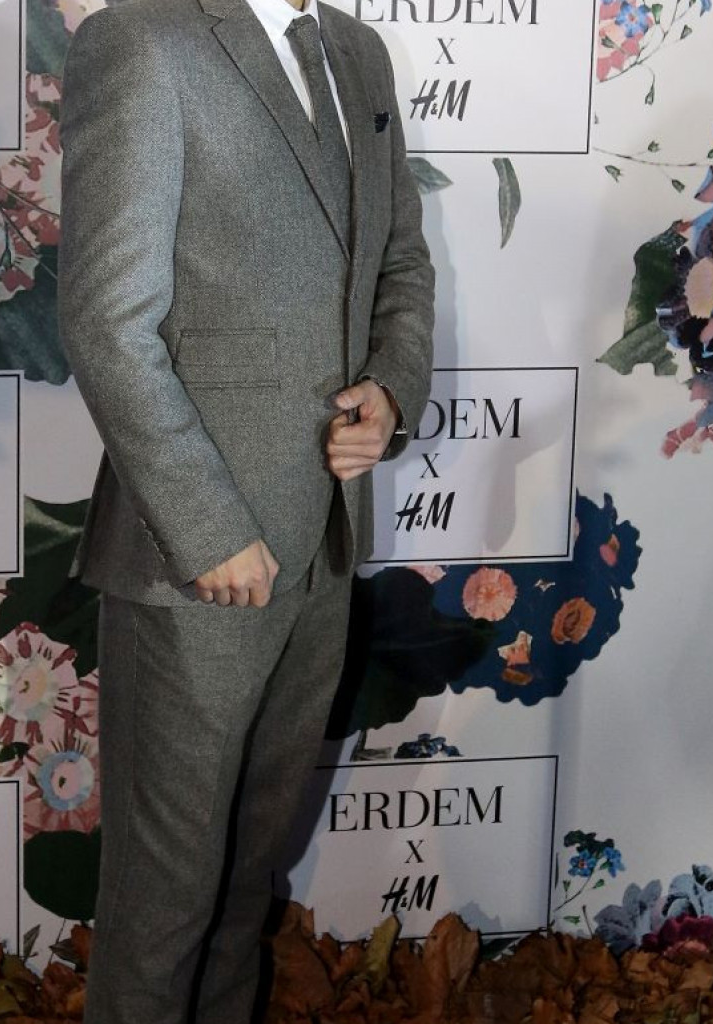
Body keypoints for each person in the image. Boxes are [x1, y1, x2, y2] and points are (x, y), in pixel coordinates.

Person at [57, 0, 434, 1017]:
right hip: (195, 565)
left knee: (241, 888)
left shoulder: (357, 53)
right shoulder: (142, 41)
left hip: (325, 544)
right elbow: (106, 320)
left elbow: (400, 261)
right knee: (162, 906)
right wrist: (208, 526)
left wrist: (391, 388)